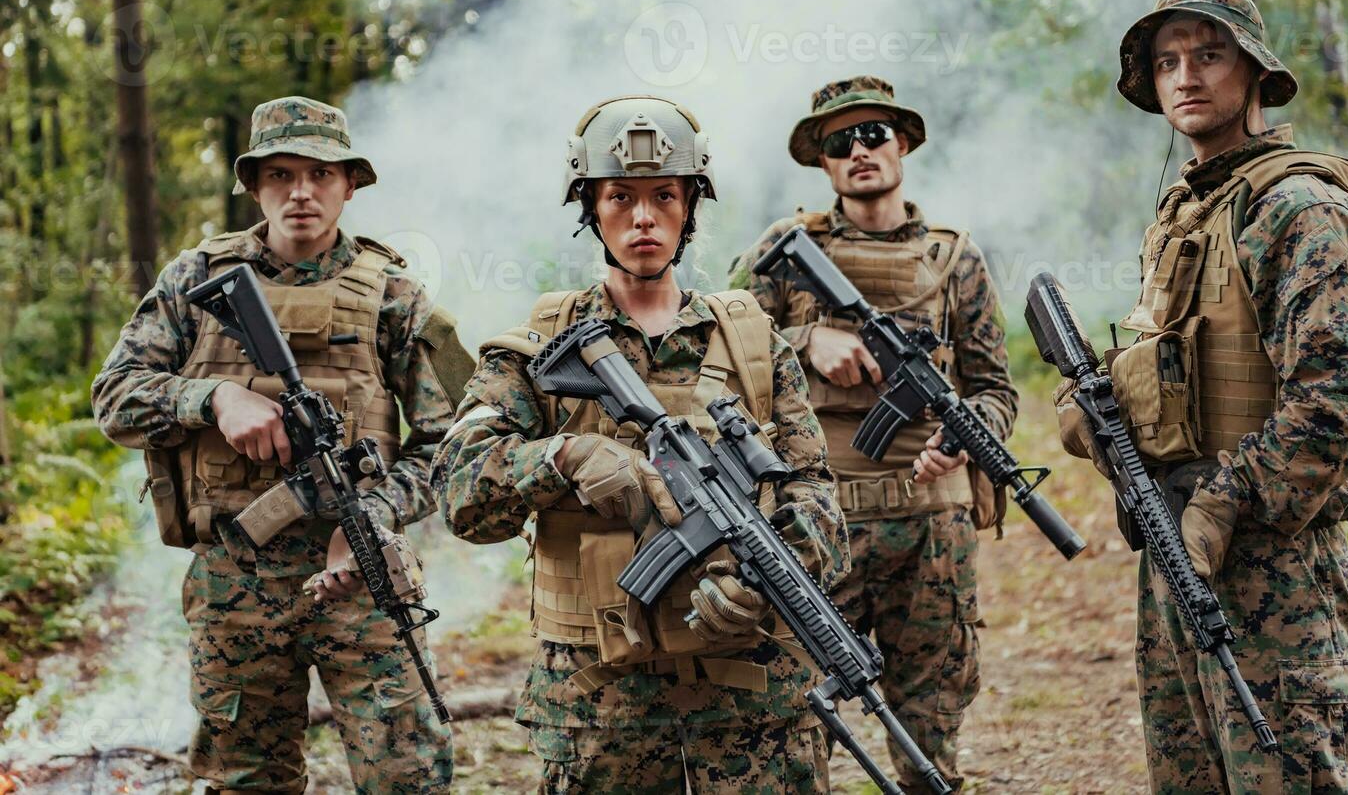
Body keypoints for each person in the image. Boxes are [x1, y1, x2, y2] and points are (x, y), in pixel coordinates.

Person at [432, 94, 847, 793]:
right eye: (620, 195)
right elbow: (459, 495)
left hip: (755, 711)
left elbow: (817, 497)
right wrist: (563, 457)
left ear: (691, 206)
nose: (644, 217)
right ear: (589, 206)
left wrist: (763, 581)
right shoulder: (539, 352)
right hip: (603, 711)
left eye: (664, 195)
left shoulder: (753, 345)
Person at [1055, 0, 1348, 792]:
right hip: (1173, 543)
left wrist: (1222, 503)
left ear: (1254, 73)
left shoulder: (1299, 207)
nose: (1185, 77)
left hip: (1271, 564)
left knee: (1294, 773)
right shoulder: (1186, 210)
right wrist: (1099, 406)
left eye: (1209, 56)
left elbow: (1339, 400)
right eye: (1168, 61)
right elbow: (1175, 365)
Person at [92, 96, 469, 794]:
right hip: (236, 581)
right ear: (255, 184)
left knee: (407, 776)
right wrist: (213, 399)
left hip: (362, 575)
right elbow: (113, 397)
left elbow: (452, 444)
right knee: (243, 780)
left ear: (350, 184)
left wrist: (375, 516)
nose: (301, 192)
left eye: (321, 175)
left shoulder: (395, 295)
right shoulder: (194, 281)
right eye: (281, 174)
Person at [730, 76, 1017, 792]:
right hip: (816, 524)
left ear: (904, 144)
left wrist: (967, 433)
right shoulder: (786, 249)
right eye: (838, 142)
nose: (859, 150)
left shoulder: (956, 258)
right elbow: (717, 354)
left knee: (930, 723)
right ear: (822, 164)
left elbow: (996, 390)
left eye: (873, 135)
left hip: (931, 530)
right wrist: (804, 340)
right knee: (792, 720)